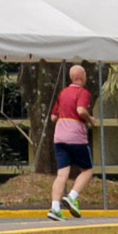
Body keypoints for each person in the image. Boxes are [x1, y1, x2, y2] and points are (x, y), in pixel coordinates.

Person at [47, 69, 98, 219]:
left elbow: (53, 117)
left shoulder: (63, 93)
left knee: (61, 174)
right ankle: (72, 196)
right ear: (82, 76)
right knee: (87, 170)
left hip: (59, 136)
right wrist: (90, 119)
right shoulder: (83, 92)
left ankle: (55, 208)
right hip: (75, 136)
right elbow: (81, 110)